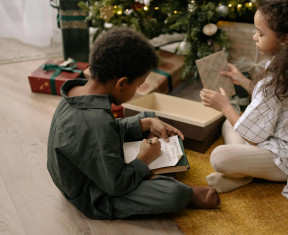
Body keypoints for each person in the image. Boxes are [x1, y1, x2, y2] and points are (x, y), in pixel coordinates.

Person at [47, 27, 220, 220]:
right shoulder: (95, 124)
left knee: (144, 118)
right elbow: (116, 184)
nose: (137, 91)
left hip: (80, 173)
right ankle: (173, 187)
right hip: (92, 195)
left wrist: (144, 123)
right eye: (138, 85)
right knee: (174, 193)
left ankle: (147, 170)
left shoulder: (78, 92)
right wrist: (143, 160)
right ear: (121, 83)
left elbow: (103, 133)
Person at [200, 0, 288, 205]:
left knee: (219, 157)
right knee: (229, 123)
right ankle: (243, 173)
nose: (254, 37)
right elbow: (268, 101)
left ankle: (242, 174)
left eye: (260, 34)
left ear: (284, 39)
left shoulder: (277, 79)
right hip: (275, 137)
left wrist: (224, 106)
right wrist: (242, 80)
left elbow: (251, 137)